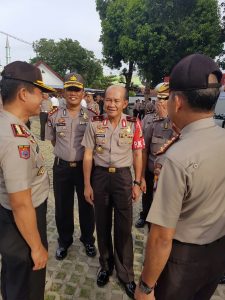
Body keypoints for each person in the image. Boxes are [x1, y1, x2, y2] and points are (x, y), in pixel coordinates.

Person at [135, 53, 225, 300]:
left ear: (177, 102)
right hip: (217, 254)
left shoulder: (176, 159)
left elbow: (161, 237)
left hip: (182, 262)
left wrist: (145, 287)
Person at [82, 85, 145, 299]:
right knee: (102, 224)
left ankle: (126, 274)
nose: (111, 104)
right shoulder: (95, 123)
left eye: (116, 101)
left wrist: (137, 182)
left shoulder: (134, 124)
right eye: (108, 100)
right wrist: (87, 185)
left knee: (124, 227)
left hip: (122, 178)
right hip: (99, 177)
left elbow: (138, 154)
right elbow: (88, 155)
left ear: (125, 103)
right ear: (103, 101)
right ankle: (105, 266)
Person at [0, 61, 55, 300]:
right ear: (23, 93)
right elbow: (21, 202)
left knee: (13, 282)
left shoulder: (10, 125)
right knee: (26, 287)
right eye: (40, 91)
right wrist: (36, 247)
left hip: (14, 221)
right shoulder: (15, 139)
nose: (44, 98)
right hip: (21, 224)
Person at [45, 73, 97, 260]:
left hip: (85, 168)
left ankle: (88, 239)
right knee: (62, 206)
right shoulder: (53, 115)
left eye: (77, 89)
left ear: (83, 92)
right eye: (69, 89)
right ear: (64, 92)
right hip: (61, 168)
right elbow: (52, 141)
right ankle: (65, 240)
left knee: (87, 205)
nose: (73, 93)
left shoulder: (92, 117)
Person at [135, 83, 177, 229]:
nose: (160, 102)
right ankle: (145, 216)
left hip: (167, 172)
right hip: (151, 168)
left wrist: (167, 118)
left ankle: (159, 222)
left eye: (164, 98)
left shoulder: (178, 121)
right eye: (159, 98)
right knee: (146, 197)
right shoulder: (148, 119)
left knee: (164, 200)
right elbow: (144, 149)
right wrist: (141, 176)